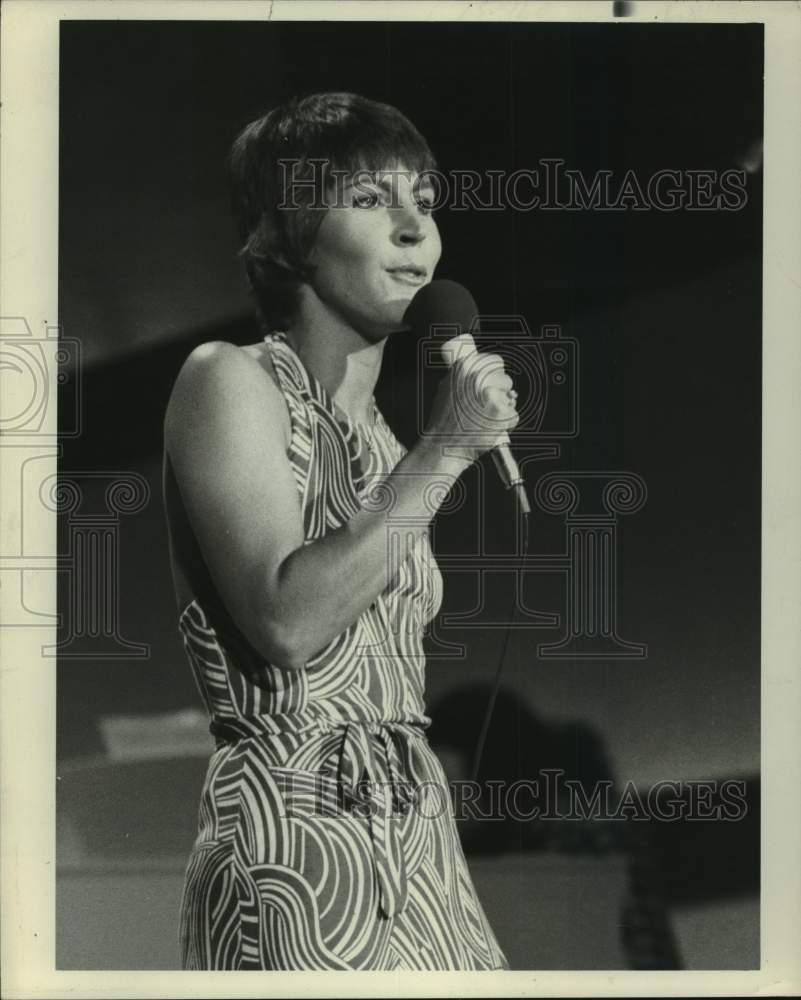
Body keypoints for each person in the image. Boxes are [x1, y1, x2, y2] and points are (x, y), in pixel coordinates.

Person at [163, 92, 518, 971]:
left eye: (424, 203)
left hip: (417, 830)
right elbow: (285, 621)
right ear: (287, 236)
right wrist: (448, 447)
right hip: (295, 833)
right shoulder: (230, 382)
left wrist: (427, 448)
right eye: (368, 200)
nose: (412, 229)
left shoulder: (384, 441)